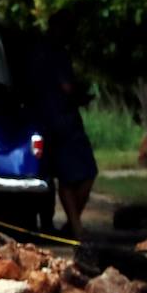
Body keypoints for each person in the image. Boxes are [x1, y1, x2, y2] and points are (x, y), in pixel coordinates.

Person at [15, 27, 98, 239]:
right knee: (80, 175)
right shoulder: (57, 55)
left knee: (57, 176)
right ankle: (74, 225)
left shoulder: (30, 57)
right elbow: (67, 87)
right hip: (63, 121)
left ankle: (69, 224)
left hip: (42, 121)